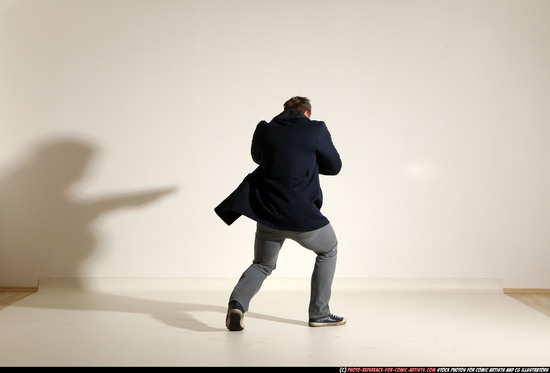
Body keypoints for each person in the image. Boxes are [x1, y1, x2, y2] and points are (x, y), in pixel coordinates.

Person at [214, 96, 345, 331]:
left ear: (284, 111)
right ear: (307, 113)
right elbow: (335, 167)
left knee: (262, 264)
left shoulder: (265, 128)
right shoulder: (315, 128)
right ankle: (319, 314)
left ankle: (237, 305)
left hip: (269, 212)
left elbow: (258, 158)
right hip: (302, 215)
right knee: (328, 249)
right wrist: (312, 163)